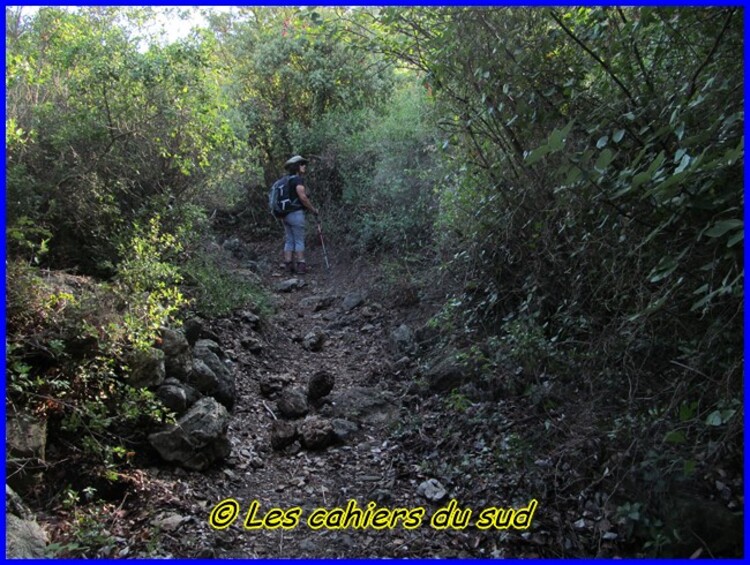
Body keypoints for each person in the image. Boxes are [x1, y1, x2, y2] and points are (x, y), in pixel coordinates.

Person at [281, 155, 318, 274]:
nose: (304, 166)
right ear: (297, 167)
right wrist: (313, 209)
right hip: (296, 213)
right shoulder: (297, 180)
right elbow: (303, 197)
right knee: (299, 240)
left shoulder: (286, 180)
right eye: (302, 164)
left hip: (285, 214)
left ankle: (288, 265)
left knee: (289, 240)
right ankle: (301, 265)